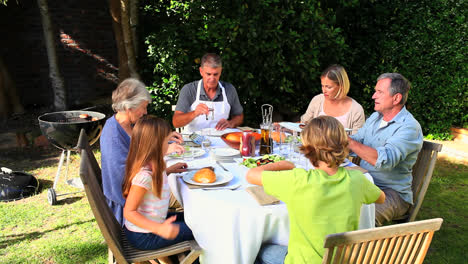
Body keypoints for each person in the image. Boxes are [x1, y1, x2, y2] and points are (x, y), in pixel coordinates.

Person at [247, 116, 385, 264]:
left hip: (303, 261)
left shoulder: (298, 180)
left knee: (255, 249)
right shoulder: (357, 180)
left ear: (307, 149)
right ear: (344, 145)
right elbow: (381, 198)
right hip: (340, 260)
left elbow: (251, 175)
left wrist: (282, 164)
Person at [100, 78, 184, 226]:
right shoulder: (113, 136)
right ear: (128, 108)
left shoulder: (126, 125)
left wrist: (166, 140)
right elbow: (124, 180)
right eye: (143, 107)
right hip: (131, 205)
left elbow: (143, 150)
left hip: (142, 190)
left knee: (182, 181)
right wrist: (162, 151)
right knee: (186, 195)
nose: (145, 112)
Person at [349, 73, 423, 226]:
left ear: (396, 98)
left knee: (359, 218)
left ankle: (357, 249)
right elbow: (355, 143)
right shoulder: (375, 118)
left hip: (392, 193)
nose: (373, 96)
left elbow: (384, 160)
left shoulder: (409, 127)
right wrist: (330, 140)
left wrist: (348, 142)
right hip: (364, 182)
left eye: (379, 92)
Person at [122, 115, 193, 264]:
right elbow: (129, 212)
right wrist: (159, 229)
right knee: (199, 229)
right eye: (167, 141)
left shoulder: (154, 164)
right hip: (145, 235)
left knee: (196, 219)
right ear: (155, 145)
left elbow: (154, 182)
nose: (170, 144)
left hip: (152, 226)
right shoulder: (144, 176)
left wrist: (169, 170)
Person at [172, 53, 244, 132]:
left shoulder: (229, 89)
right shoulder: (189, 89)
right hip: (193, 140)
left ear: (221, 72)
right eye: (208, 74)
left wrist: (231, 123)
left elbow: (239, 116)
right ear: (201, 71)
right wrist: (194, 113)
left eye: (215, 74)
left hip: (221, 139)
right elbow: (176, 122)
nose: (212, 78)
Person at [300, 64, 365, 134]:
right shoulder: (317, 100)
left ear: (341, 86)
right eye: (322, 86)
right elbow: (302, 125)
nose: (324, 90)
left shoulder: (356, 110)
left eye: (328, 87)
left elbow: (357, 140)